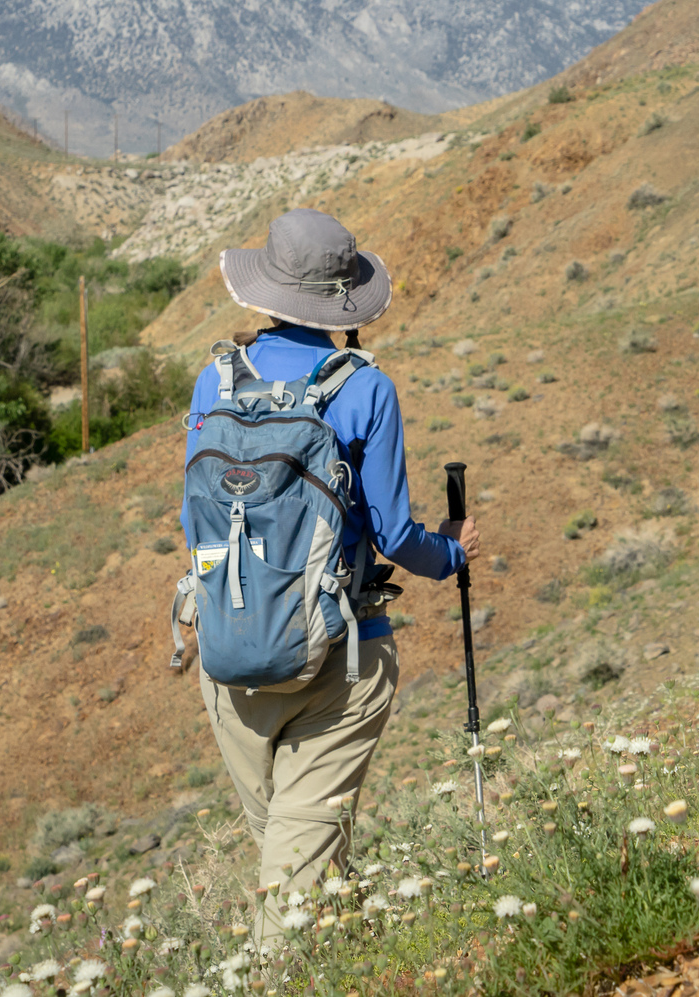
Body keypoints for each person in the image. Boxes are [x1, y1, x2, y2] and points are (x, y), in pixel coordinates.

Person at [178, 207, 479, 933]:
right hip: (339, 665)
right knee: (294, 896)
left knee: (298, 873)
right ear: (340, 300)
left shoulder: (212, 381)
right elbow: (396, 534)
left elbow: (195, 523)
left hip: (229, 660)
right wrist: (454, 554)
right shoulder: (364, 387)